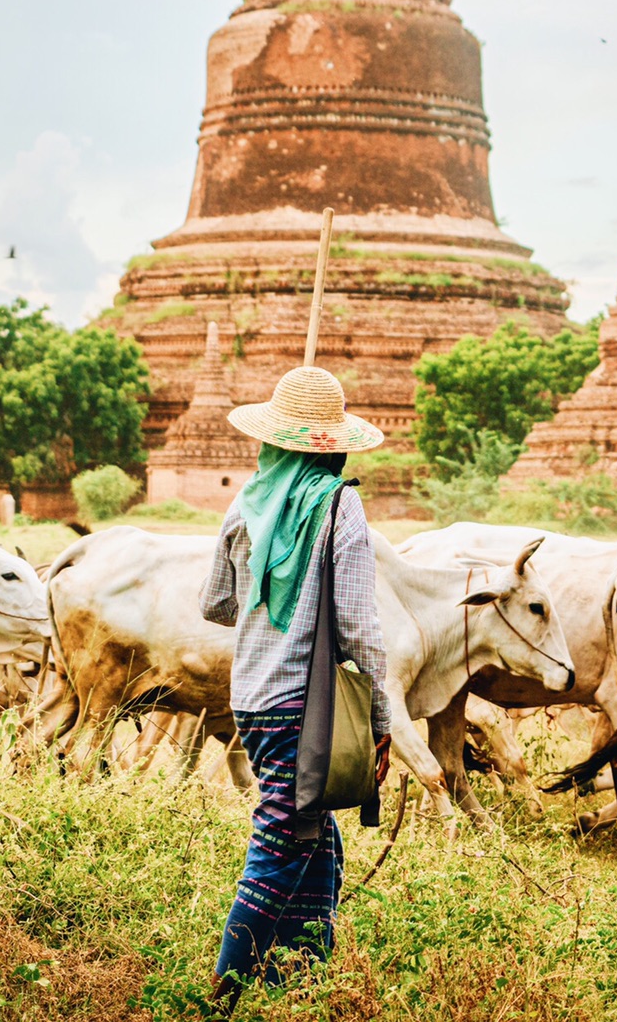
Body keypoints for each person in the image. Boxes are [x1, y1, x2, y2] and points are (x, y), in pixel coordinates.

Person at [202, 364, 393, 1009]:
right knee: (282, 835)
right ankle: (222, 995)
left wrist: (275, 590)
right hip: (301, 705)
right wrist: (382, 719)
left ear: (273, 441)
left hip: (252, 697)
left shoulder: (248, 500)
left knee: (318, 838)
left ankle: (301, 985)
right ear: (336, 446)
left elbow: (219, 604)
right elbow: (361, 628)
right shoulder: (340, 504)